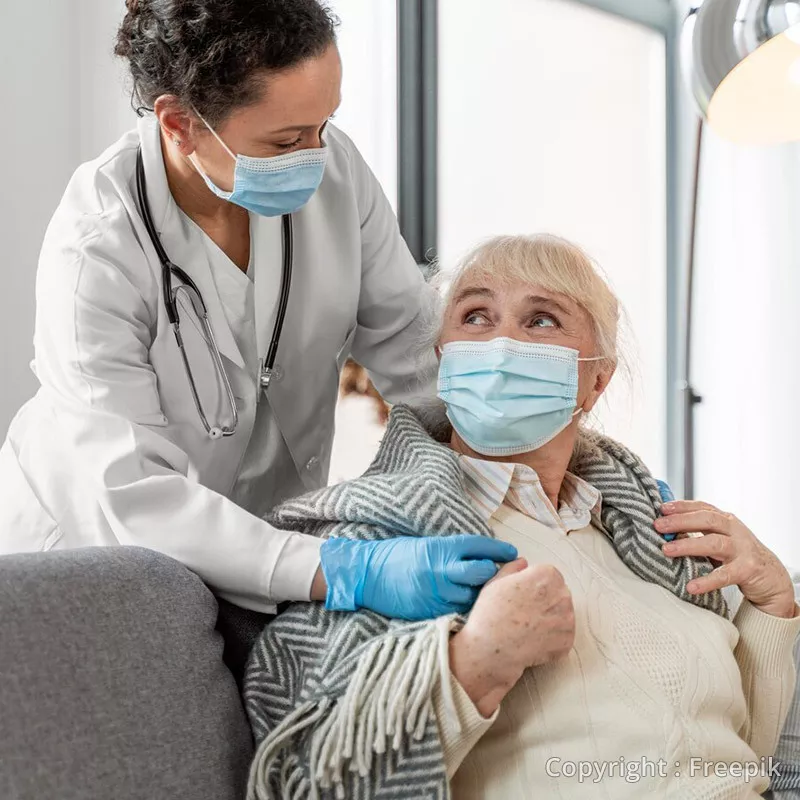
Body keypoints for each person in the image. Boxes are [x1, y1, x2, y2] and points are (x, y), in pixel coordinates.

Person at [0, 0, 516, 628]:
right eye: (287, 140)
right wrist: (349, 569)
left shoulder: (337, 174)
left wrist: (563, 464)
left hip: (279, 547)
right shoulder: (98, 247)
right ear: (179, 123)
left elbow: (416, 353)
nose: (317, 154)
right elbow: (130, 493)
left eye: (325, 124)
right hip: (99, 563)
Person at [243, 235, 800, 800]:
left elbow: (742, 756)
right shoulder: (380, 543)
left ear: (596, 380)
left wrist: (773, 604)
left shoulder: (650, 542)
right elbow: (312, 777)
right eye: (476, 316)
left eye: (541, 321)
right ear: (443, 359)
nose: (502, 344)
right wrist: (474, 663)